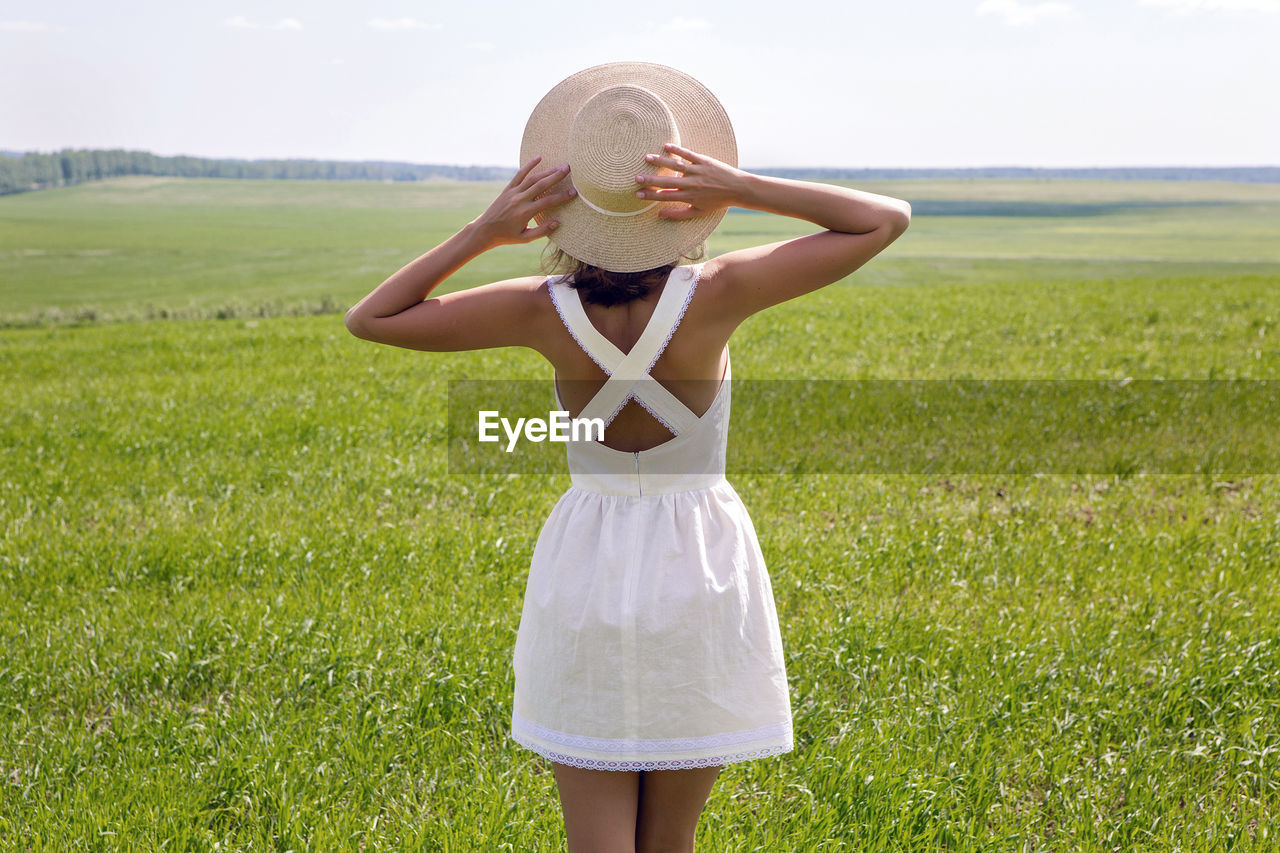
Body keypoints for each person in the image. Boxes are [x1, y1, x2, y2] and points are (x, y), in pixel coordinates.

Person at [345, 62, 910, 853]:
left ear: (573, 207)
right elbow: (884, 220)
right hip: (700, 565)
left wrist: (485, 231)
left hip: (588, 567)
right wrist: (738, 186)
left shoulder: (540, 311)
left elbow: (372, 319)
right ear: (680, 204)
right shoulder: (719, 291)